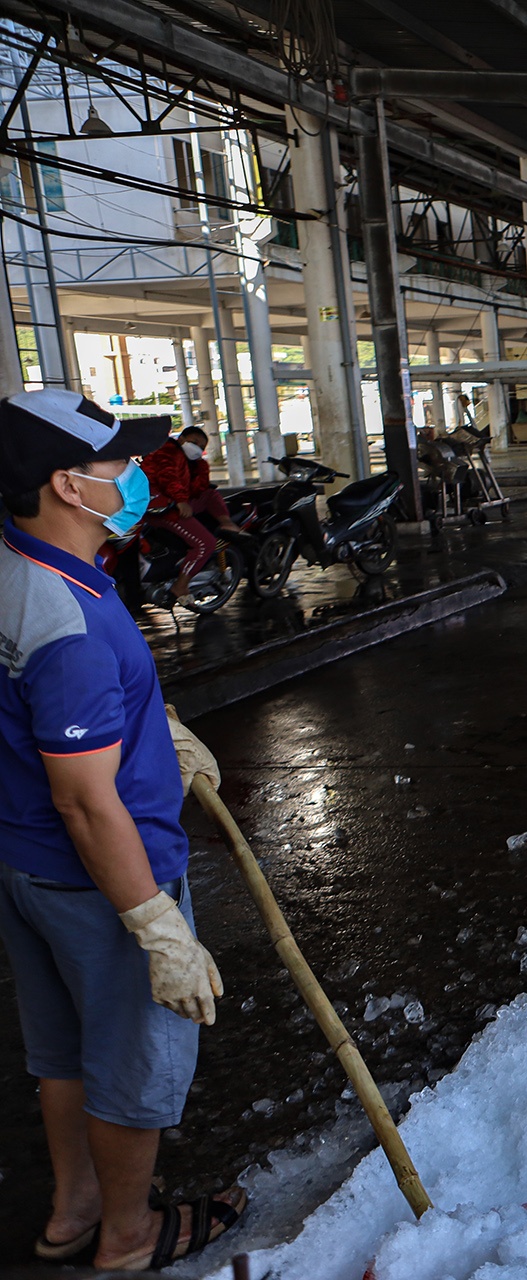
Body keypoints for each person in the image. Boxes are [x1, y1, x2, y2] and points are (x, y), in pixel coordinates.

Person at [0, 388, 245, 1270]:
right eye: (120, 467)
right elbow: (86, 801)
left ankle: (74, 1214)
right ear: (69, 486)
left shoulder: (20, 567)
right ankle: (129, 1237)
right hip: (100, 879)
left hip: (25, 868)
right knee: (132, 1067)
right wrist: (155, 925)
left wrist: (151, 725)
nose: (138, 478)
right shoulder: (68, 626)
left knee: (63, 1054)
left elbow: (44, 717)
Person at [139, 424, 244, 603]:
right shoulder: (167, 452)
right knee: (206, 544)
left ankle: (226, 522)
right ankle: (180, 586)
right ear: (181, 439)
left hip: (171, 504)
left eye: (201, 447)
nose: (197, 448)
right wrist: (180, 500)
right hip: (161, 508)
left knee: (210, 493)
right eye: (194, 442)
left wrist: (200, 469)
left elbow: (199, 489)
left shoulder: (192, 463)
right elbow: (167, 477)